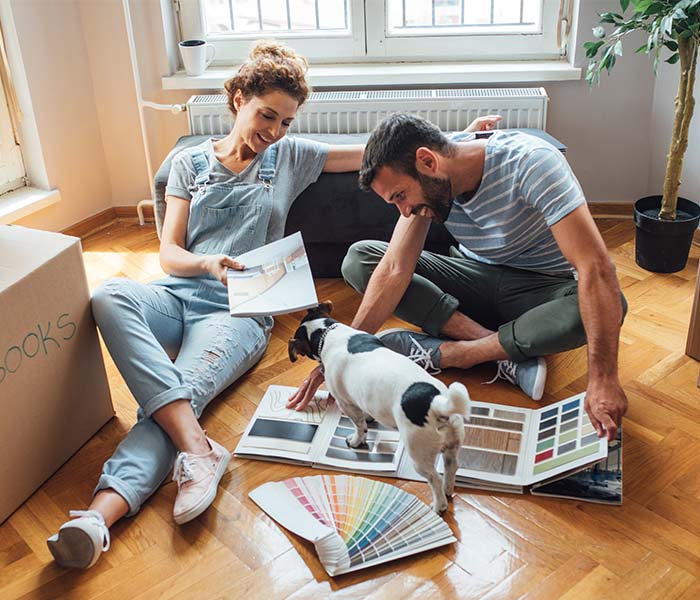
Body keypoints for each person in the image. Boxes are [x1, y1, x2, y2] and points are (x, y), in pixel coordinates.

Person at [45, 40, 368, 570]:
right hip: (178, 295)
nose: (275, 131)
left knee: (178, 396)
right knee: (109, 294)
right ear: (238, 97)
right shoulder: (190, 163)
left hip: (239, 313)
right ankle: (200, 450)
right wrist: (208, 264)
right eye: (268, 115)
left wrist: (457, 140)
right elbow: (169, 254)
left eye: (286, 121)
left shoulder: (291, 157)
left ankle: (97, 518)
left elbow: (368, 151)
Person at [289, 113, 628, 444]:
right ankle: (502, 349)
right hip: (472, 281)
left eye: (400, 196)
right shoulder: (430, 188)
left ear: (428, 162)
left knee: (604, 307)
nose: (403, 211)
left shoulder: (532, 163)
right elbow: (394, 268)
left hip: (539, 289)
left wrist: (604, 378)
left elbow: (595, 268)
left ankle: (454, 353)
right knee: (360, 259)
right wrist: (342, 357)